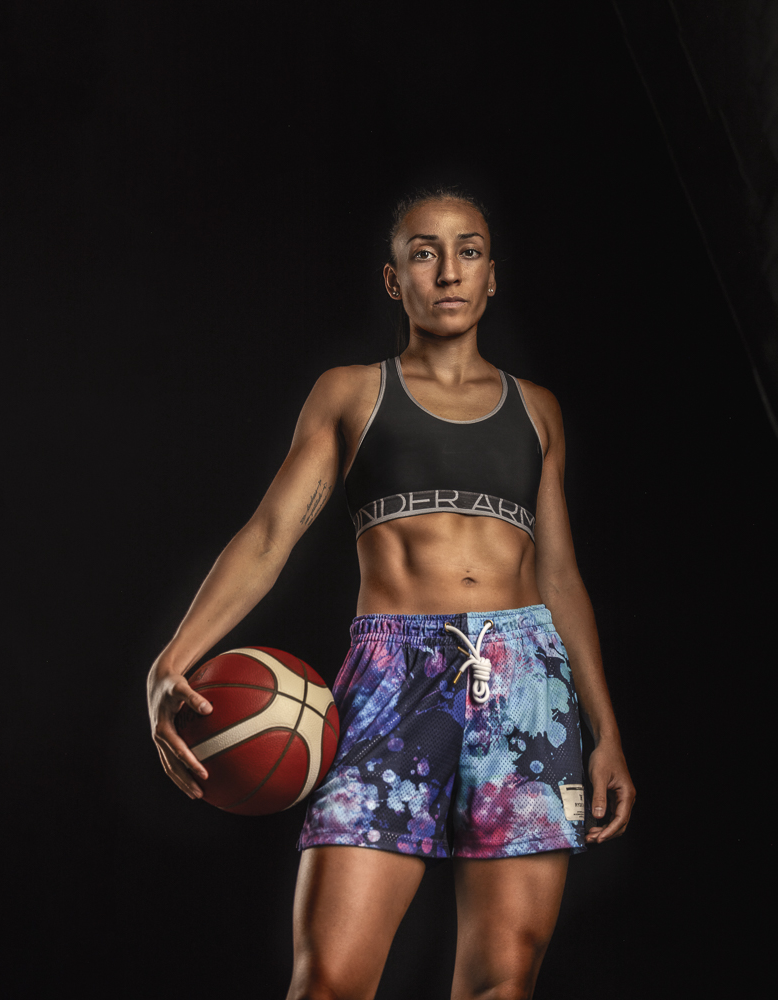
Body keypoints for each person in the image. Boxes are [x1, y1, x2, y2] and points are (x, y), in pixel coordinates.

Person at [147, 186, 636, 1000]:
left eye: (468, 252)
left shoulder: (538, 410)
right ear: (393, 278)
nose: (448, 272)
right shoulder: (351, 393)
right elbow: (270, 536)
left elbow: (558, 576)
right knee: (329, 981)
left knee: (502, 983)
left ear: (491, 277)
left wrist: (605, 729)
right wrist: (172, 659)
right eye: (424, 253)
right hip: (393, 678)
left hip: (526, 683)